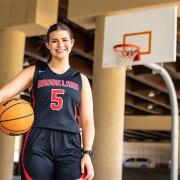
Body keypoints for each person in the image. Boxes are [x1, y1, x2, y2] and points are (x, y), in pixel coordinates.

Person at [0, 22, 95, 180]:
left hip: (70, 144)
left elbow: (87, 121)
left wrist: (87, 154)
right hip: (38, 141)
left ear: (72, 43)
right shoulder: (34, 72)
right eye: (55, 41)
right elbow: (3, 93)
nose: (60, 45)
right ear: (48, 45)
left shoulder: (81, 80)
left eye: (64, 40)